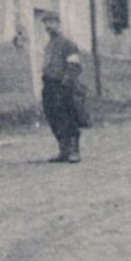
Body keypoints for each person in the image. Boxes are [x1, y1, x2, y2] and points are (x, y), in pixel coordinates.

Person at [39, 10, 86, 163]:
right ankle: (63, 151)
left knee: (68, 117)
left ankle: (74, 151)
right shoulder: (49, 45)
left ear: (58, 23)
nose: (48, 26)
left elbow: (74, 66)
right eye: (46, 23)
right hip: (49, 84)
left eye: (51, 22)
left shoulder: (68, 44)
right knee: (53, 117)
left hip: (62, 86)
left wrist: (66, 85)